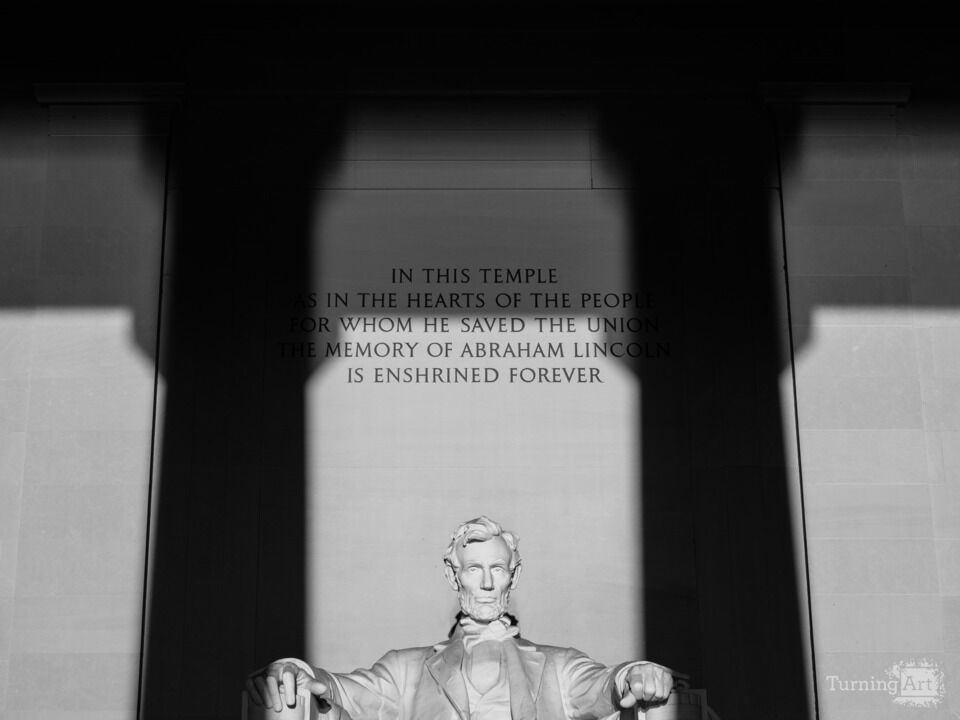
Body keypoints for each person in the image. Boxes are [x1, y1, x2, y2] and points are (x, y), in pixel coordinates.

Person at [247, 516, 676, 720]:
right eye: (474, 569)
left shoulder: (558, 666)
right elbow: (343, 690)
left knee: (656, 702)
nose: (488, 583)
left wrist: (634, 673)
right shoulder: (407, 669)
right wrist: (300, 672)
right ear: (454, 575)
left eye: (499, 569)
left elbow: (603, 685)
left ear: (515, 575)